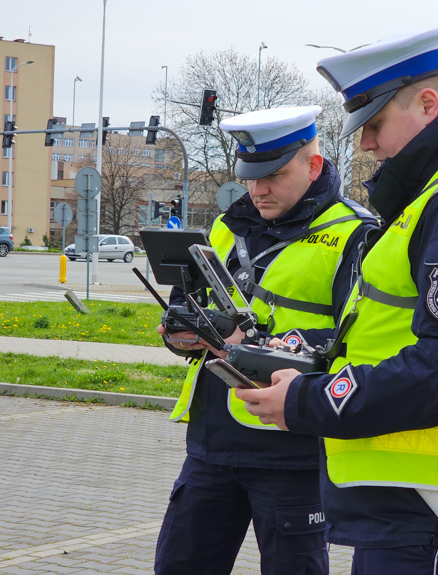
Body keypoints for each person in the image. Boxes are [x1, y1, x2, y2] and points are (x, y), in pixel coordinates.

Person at [238, 27, 438, 574]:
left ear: (429, 105)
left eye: (375, 124)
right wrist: (305, 350)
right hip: (425, 504)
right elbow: (399, 329)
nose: (365, 144)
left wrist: (309, 402)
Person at [153, 105, 376, 575]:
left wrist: (248, 344)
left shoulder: (355, 234)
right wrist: (181, 334)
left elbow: (354, 344)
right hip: (211, 447)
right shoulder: (226, 227)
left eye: (272, 175)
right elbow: (188, 308)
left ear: (313, 166)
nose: (257, 189)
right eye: (250, 176)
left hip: (290, 451)